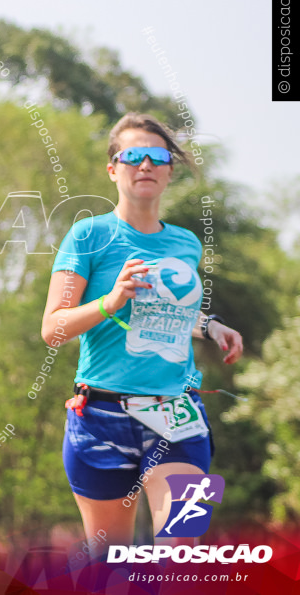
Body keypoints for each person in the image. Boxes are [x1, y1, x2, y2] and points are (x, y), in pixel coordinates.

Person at [41, 112, 244, 556]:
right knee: (110, 566)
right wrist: (110, 301)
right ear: (113, 169)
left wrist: (210, 326)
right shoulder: (88, 235)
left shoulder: (187, 243)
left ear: (171, 170)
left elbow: (164, 317)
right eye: (132, 155)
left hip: (177, 415)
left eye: (157, 156)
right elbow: (52, 328)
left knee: (178, 557)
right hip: (101, 418)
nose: (146, 164)